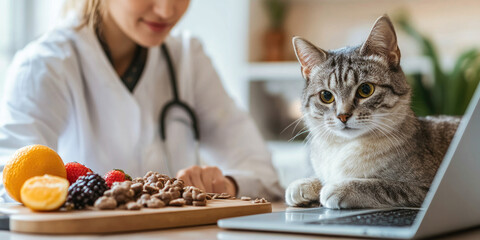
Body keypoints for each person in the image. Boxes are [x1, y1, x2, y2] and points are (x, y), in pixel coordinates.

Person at [0, 0, 283, 201]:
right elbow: (11, 187)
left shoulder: (188, 58)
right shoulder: (44, 65)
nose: (166, 10)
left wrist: (225, 184)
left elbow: (265, 177)